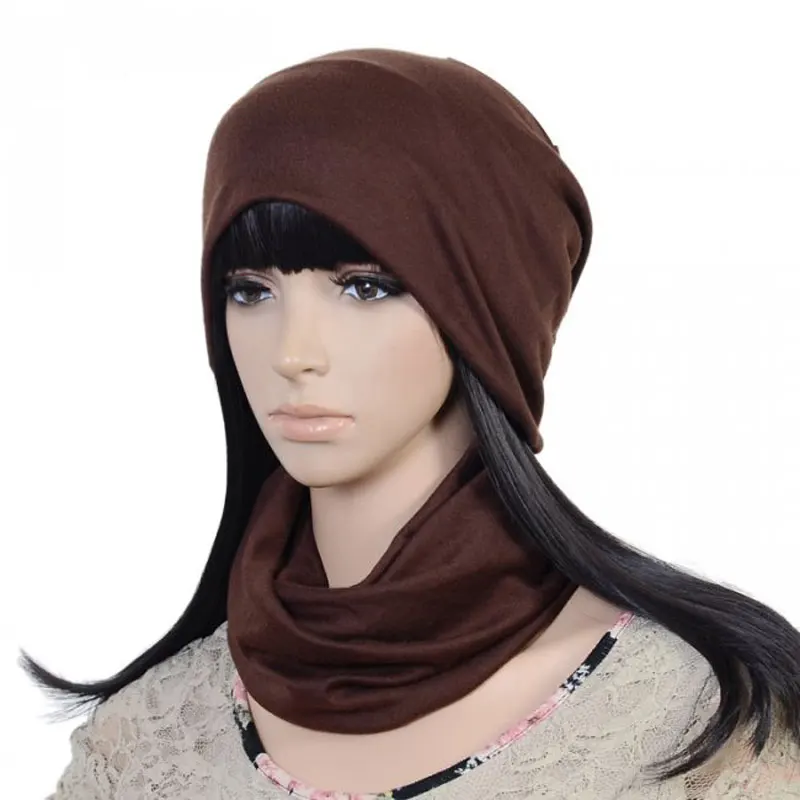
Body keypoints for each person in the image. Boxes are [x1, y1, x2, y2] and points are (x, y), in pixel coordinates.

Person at [23, 47, 799, 799]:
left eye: (364, 287)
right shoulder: (145, 744)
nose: (293, 353)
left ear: (492, 306)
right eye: (251, 290)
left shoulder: (695, 720)